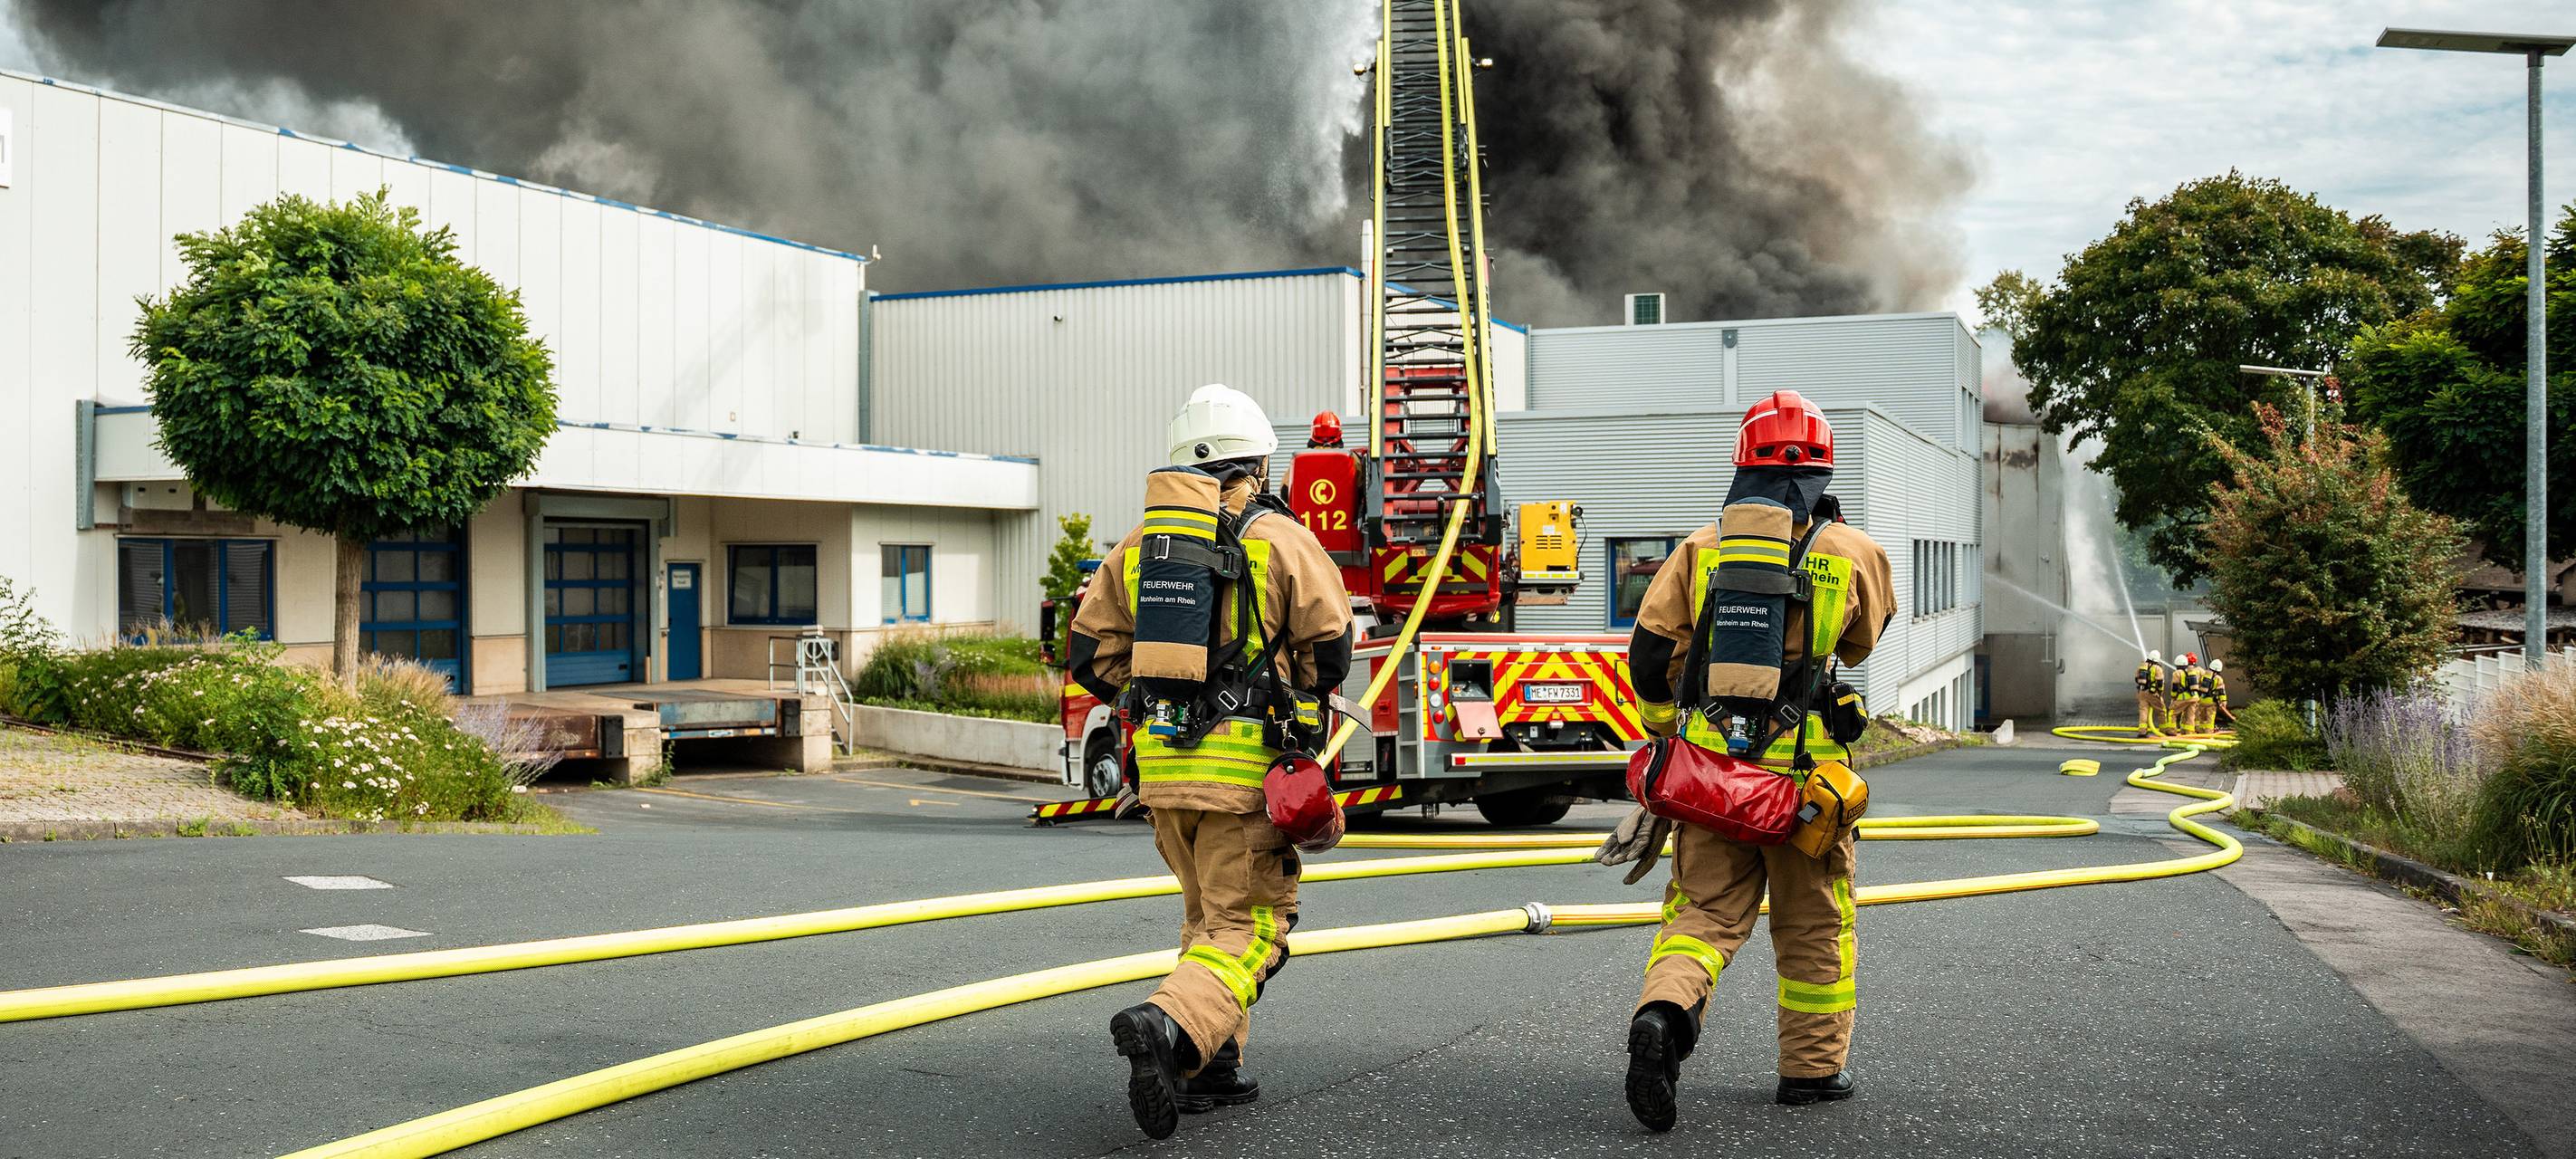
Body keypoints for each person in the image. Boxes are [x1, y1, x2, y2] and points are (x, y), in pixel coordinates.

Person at [1065, 383, 1355, 1140]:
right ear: (1256, 464)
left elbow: (1088, 657)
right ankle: (1165, 1027)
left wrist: (1160, 696)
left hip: (1163, 774)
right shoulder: (1281, 538)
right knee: (1254, 926)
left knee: (1206, 916)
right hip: (1248, 779)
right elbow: (1331, 653)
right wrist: (1282, 692)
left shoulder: (1137, 547)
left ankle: (1208, 1069)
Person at [1614, 390, 1896, 1130]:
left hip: (1708, 783)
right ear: (1823, 466)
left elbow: (1647, 656)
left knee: (1702, 915)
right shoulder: (1853, 551)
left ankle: (1664, 1017)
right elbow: (1865, 643)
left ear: (1742, 463)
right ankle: (1810, 1072)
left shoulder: (1698, 548)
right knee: (1812, 926)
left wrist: (1662, 730)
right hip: (1804, 791)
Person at [2134, 650, 2170, 737]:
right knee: (2161, 710)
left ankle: (2142, 732)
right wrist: (2160, 692)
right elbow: (2160, 682)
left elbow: (2136, 678)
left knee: (2143, 711)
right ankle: (2164, 729)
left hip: (2142, 692)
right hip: (2153, 693)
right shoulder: (2157, 668)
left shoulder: (2142, 666)